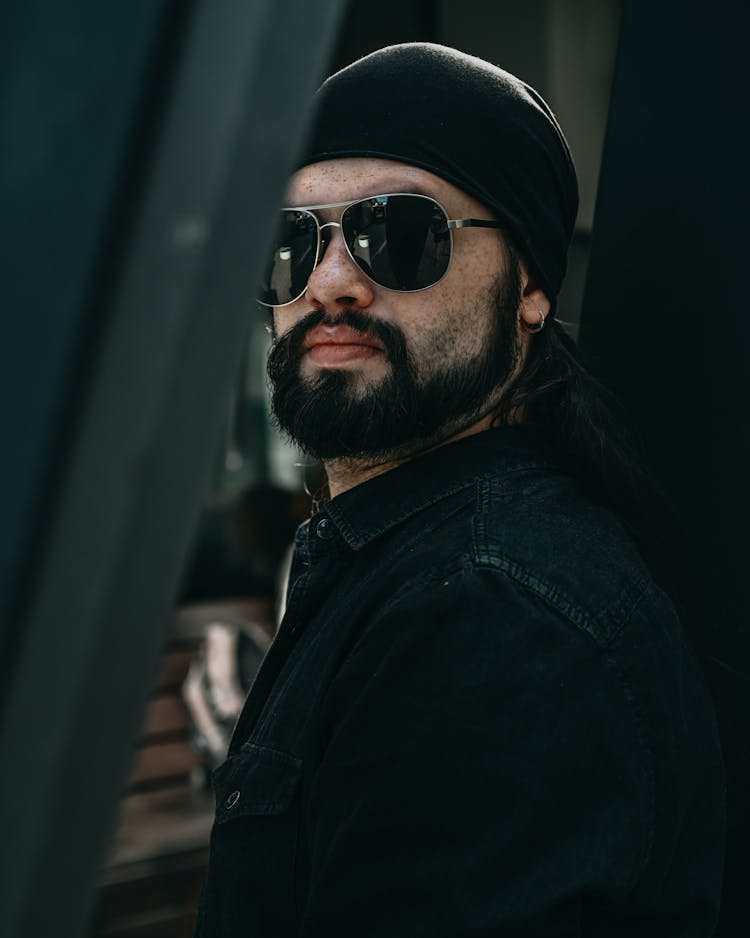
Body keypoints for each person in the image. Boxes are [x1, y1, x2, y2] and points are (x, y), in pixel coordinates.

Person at [192, 43, 725, 937]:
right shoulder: (416, 566)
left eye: (399, 233)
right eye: (290, 240)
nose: (329, 284)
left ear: (531, 289)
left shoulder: (487, 612)